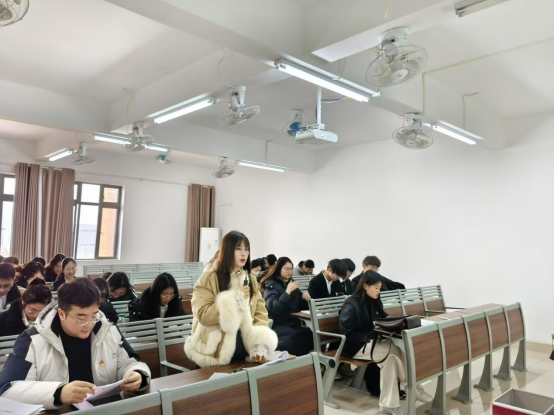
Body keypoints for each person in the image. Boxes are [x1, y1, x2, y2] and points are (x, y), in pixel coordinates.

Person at [0, 278, 151, 410]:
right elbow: (8, 389)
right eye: (81, 318)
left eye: (94, 315)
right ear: (61, 314)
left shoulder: (107, 330)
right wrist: (59, 392)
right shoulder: (32, 339)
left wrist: (137, 374)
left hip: (104, 409)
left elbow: (130, 362)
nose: (89, 324)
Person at [340, 271, 432, 415]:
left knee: (392, 358)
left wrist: (398, 322)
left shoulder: (374, 300)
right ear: (365, 286)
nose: (379, 291)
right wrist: (372, 336)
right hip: (355, 346)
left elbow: (384, 317)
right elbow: (347, 334)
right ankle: (411, 386)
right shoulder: (351, 305)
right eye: (376, 288)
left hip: (372, 342)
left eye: (379, 288)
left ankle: (389, 406)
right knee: (391, 352)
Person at [185, 231, 278, 368]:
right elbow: (203, 314)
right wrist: (234, 299)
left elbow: (260, 312)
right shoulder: (209, 278)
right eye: (238, 248)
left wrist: (258, 341)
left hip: (244, 351)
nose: (244, 254)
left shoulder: (251, 279)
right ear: (227, 250)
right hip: (215, 353)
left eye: (246, 249)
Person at [259, 257, 314, 357]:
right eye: (286, 269)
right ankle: (275, 353)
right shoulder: (271, 284)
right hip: (278, 323)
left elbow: (299, 305)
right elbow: (273, 307)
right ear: (279, 269)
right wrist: (288, 292)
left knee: (310, 334)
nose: (289, 272)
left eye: (291, 269)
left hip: (292, 321)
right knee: (293, 339)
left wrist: (305, 298)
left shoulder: (291, 283)